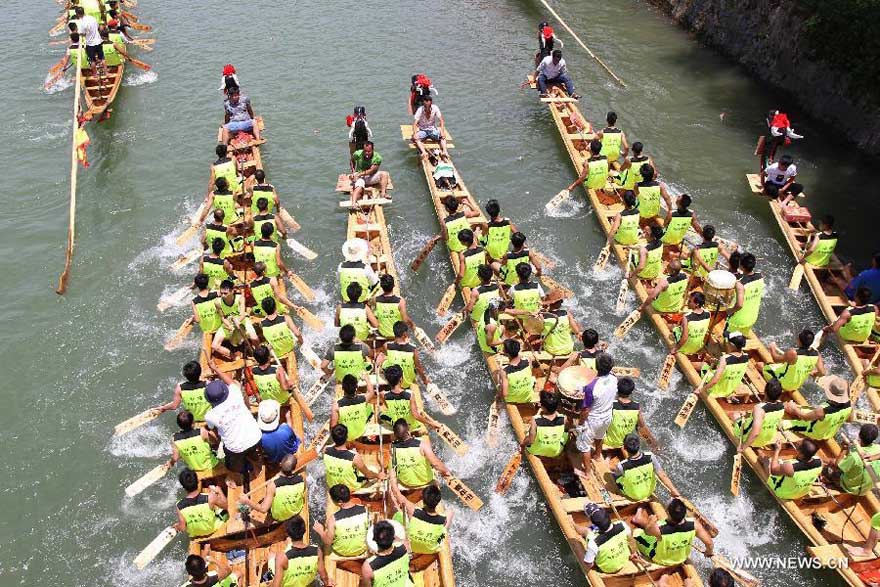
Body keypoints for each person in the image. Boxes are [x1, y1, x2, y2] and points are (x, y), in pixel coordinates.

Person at [203, 363, 263, 476]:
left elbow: (214, 431)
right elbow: (230, 382)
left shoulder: (210, 415)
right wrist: (216, 368)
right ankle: (256, 466)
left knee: (232, 466)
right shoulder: (235, 393)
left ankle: (238, 473)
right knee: (252, 452)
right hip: (255, 437)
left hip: (235, 449)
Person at [632, 497, 714, 565]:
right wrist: (708, 552)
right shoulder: (694, 524)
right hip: (681, 558)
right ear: (684, 512)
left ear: (667, 512)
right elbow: (709, 543)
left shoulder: (659, 527)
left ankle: (638, 518)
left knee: (637, 533)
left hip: (661, 559)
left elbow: (647, 531)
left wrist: (651, 522)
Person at [574, 353, 618, 476]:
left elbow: (585, 410)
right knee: (600, 435)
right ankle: (598, 455)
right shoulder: (614, 378)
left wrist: (580, 424)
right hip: (607, 416)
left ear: (596, 366)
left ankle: (587, 472)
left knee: (584, 445)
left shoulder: (591, 387)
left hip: (593, 419)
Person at [238, 453, 305, 522]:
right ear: (294, 468)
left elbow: (263, 509)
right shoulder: (301, 480)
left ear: (280, 464)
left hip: (280, 516)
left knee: (265, 502)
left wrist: (246, 501)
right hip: (297, 510)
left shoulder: (273, 485)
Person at [388, 481, 451, 555]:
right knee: (450, 513)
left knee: (398, 514)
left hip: (411, 546)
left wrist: (392, 478)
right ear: (438, 501)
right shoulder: (443, 519)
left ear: (422, 498)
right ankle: (443, 534)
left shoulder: (413, 510)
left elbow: (396, 493)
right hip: (431, 549)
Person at [783, 375, 852, 440]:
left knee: (785, 423)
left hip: (816, 432)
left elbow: (805, 418)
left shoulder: (822, 410)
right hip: (829, 432)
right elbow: (850, 419)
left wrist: (794, 408)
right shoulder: (849, 405)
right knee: (803, 410)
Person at [613, 434, 677, 502]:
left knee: (615, 477)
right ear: (639, 445)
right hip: (650, 490)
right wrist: (673, 490)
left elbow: (617, 476)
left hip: (634, 495)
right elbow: (662, 474)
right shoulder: (650, 456)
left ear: (625, 448)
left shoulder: (621, 465)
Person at [391, 418, 452, 489]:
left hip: (406, 483)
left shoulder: (392, 448)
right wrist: (446, 472)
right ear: (408, 431)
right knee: (433, 459)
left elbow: (393, 468)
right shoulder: (422, 444)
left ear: (395, 435)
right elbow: (435, 463)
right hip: (426, 482)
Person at [313, 484, 370, 558]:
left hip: (342, 551)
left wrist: (321, 531)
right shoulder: (365, 510)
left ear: (340, 502)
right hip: (362, 549)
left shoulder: (333, 519)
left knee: (328, 531)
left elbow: (327, 543)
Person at [379, 365, 439, 434]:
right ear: (401, 379)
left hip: (398, 426)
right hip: (411, 426)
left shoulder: (383, 394)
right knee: (417, 412)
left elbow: (389, 407)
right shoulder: (410, 394)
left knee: (380, 414)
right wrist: (431, 423)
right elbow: (416, 415)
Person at [270, 516, 329, 587]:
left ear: (288, 533)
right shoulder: (317, 551)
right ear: (304, 530)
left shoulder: (282, 557)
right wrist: (326, 584)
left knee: (271, 555)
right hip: (305, 583)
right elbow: (324, 577)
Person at [323, 423, 384, 491]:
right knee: (373, 468)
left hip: (333, 486)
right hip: (350, 488)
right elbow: (368, 475)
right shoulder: (354, 457)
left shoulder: (325, 449)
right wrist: (378, 475)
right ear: (346, 437)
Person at [760, 328, 825, 392]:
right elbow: (822, 372)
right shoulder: (817, 354)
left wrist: (772, 349)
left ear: (798, 340)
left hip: (784, 384)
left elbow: (776, 359)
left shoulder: (793, 353)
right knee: (784, 365)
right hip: (797, 386)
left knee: (760, 365)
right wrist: (815, 374)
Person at [825, 423, 880, 496]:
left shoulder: (854, 456)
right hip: (865, 490)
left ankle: (833, 483)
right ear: (874, 438)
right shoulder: (878, 449)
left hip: (850, 488)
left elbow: (836, 467)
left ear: (859, 435)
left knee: (829, 466)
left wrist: (844, 448)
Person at [175, 468, 229, 538]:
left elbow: (182, 528)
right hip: (212, 529)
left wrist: (177, 526)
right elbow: (226, 505)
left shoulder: (179, 505)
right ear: (198, 481)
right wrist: (219, 490)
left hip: (196, 534)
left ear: (183, 487)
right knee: (224, 512)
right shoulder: (210, 497)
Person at [734, 378, 785, 451]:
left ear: (765, 392)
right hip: (766, 439)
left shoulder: (759, 408)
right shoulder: (782, 406)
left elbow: (755, 433)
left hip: (752, 439)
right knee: (747, 416)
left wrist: (743, 447)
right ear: (780, 395)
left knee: (734, 415)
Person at [602, 378, 652, 452]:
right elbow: (642, 426)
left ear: (617, 390)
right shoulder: (637, 407)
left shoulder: (611, 405)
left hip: (609, 442)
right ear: (631, 392)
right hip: (626, 443)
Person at [577, 505, 631, 574]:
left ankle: (572, 524)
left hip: (606, 569)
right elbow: (630, 539)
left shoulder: (594, 542)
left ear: (595, 525)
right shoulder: (622, 525)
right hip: (624, 560)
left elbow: (589, 564)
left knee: (586, 531)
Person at [377, 323, 430, 391]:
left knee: (384, 358)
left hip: (393, 381)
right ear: (405, 334)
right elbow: (418, 368)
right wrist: (425, 380)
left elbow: (392, 350)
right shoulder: (413, 349)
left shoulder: (386, 345)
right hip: (407, 383)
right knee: (414, 364)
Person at [698, 331, 750, 400]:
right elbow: (733, 364)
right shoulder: (746, 357)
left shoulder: (725, 358)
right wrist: (718, 362)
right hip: (729, 390)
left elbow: (714, 381)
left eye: (727, 341)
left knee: (702, 365)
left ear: (731, 345)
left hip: (715, 391)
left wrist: (701, 390)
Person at [360, 520, 412, 587]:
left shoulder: (368, 567)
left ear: (374, 539)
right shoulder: (405, 547)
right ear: (393, 537)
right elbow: (402, 540)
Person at [521, 390, 567, 459]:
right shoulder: (564, 418)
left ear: (543, 407)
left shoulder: (535, 420)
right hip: (555, 452)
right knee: (565, 433)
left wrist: (522, 445)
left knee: (529, 433)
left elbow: (531, 440)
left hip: (535, 451)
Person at [726, 253, 765, 335]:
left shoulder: (740, 284)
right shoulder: (761, 277)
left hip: (738, 320)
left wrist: (729, 311)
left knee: (728, 339)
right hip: (752, 318)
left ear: (741, 266)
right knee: (742, 337)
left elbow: (739, 305)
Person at [331, 374, 376, 442]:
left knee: (333, 418)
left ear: (342, 388)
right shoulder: (363, 399)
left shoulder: (337, 405)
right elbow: (371, 392)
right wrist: (367, 379)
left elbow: (333, 426)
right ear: (356, 387)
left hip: (346, 436)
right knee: (369, 408)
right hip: (361, 431)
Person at [257, 399, 300, 464]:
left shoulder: (260, 437)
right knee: (294, 433)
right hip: (291, 452)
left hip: (274, 459)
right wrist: (288, 417)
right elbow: (292, 436)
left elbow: (261, 449)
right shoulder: (284, 428)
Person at [374, 274, 416, 339]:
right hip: (397, 335)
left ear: (381, 287)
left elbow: (369, 302)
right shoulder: (400, 301)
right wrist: (413, 325)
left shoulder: (376, 300)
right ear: (393, 286)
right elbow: (405, 320)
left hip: (383, 333)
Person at [541, 289, 581, 357]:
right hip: (568, 349)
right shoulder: (567, 314)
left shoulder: (542, 317)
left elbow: (535, 331)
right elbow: (577, 331)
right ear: (560, 303)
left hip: (552, 350)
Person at [671, 292, 711, 359]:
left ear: (697, 304)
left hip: (685, 349)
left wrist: (674, 349)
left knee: (675, 329)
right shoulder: (708, 313)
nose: (687, 302)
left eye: (690, 301)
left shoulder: (686, 317)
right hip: (697, 347)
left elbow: (685, 337)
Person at [339, 238, 379, 302]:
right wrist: (377, 275)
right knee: (377, 283)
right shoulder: (365, 267)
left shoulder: (341, 266)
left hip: (346, 296)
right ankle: (368, 298)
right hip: (361, 298)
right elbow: (374, 283)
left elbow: (340, 279)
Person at [497, 339, 537, 404]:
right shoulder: (528, 360)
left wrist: (498, 397)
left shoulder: (504, 371)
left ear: (507, 354)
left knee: (498, 376)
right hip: (527, 397)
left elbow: (505, 394)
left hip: (511, 399)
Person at [73, 6, 105, 75]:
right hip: (98, 41)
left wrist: (79, 33)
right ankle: (106, 72)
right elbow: (97, 27)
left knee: (92, 60)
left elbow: (82, 33)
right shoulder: (92, 18)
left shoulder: (82, 23)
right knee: (102, 58)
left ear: (77, 14)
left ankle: (95, 74)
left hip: (90, 44)